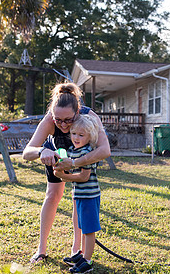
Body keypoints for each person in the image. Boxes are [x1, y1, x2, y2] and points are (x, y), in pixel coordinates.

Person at [22, 82, 110, 264]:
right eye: (58, 120)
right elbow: (26, 152)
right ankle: (41, 250)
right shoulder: (49, 120)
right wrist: (41, 151)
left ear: (77, 112)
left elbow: (105, 150)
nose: (63, 125)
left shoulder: (89, 116)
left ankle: (77, 249)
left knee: (79, 198)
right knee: (53, 195)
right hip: (56, 156)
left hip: (83, 158)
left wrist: (76, 162)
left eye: (68, 120)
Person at [54, 114, 101, 273]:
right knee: (82, 226)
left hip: (89, 195)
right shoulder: (74, 150)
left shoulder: (87, 152)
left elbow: (83, 176)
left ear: (90, 136)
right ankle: (82, 254)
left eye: (81, 135)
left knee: (88, 229)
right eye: (74, 134)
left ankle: (87, 261)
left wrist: (63, 176)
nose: (76, 137)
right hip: (80, 195)